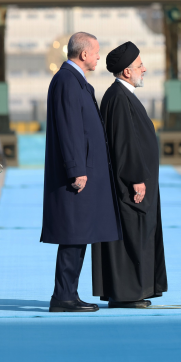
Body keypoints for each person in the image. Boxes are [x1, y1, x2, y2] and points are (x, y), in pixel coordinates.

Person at [42, 32, 121, 313]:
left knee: (79, 233)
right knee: (72, 234)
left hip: (85, 172)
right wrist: (76, 169)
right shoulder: (66, 80)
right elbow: (69, 128)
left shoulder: (75, 80)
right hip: (76, 175)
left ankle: (68, 293)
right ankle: (63, 297)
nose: (100, 56)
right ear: (84, 54)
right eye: (97, 51)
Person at [92, 41, 168, 308]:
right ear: (126, 71)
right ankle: (126, 294)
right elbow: (124, 144)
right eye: (139, 66)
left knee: (140, 235)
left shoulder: (123, 96)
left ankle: (135, 290)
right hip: (131, 185)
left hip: (138, 182)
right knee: (132, 236)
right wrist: (136, 178)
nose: (144, 69)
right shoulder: (119, 98)